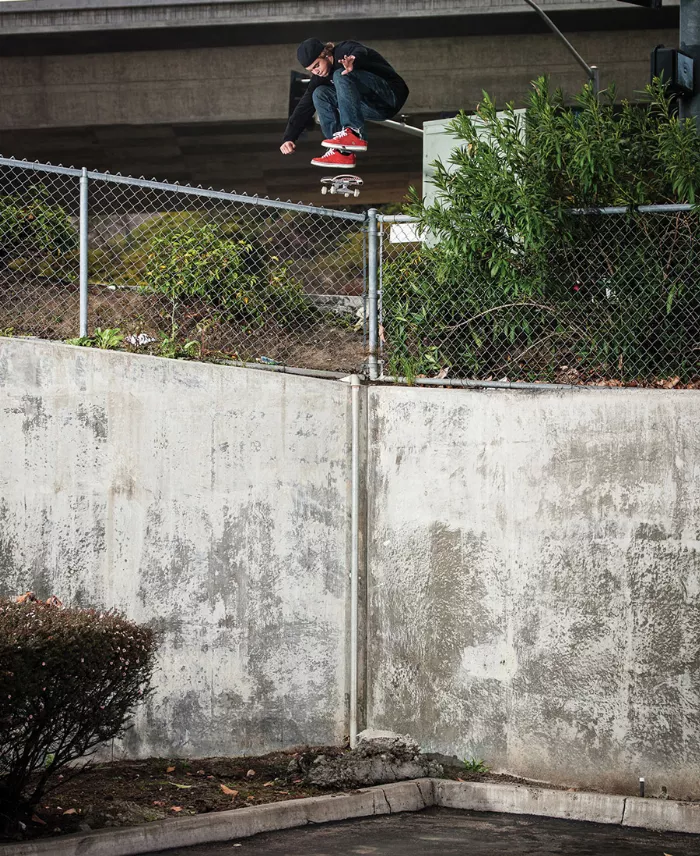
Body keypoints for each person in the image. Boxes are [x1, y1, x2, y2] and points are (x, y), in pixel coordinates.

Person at [280, 38, 409, 169]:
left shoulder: (343, 50)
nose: (316, 72)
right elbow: (304, 107)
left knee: (340, 74)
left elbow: (360, 50)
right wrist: (289, 137)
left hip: (390, 95)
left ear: (325, 53)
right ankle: (342, 152)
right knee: (319, 93)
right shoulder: (319, 79)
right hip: (373, 108)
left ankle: (354, 132)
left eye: (317, 65)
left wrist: (354, 60)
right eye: (311, 70)